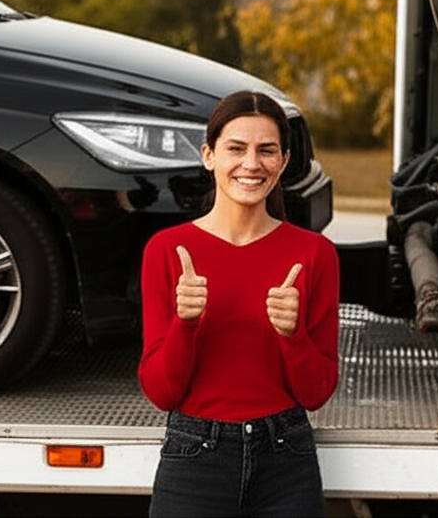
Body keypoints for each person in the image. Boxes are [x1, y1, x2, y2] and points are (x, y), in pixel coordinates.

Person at [138, 89, 340, 517]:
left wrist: (293, 335)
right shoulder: (167, 250)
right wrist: (185, 324)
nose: (251, 164)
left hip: (285, 458)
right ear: (209, 156)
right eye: (236, 148)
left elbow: (317, 391)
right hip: (194, 457)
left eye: (266, 150)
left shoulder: (314, 254)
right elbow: (160, 391)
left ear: (283, 162)